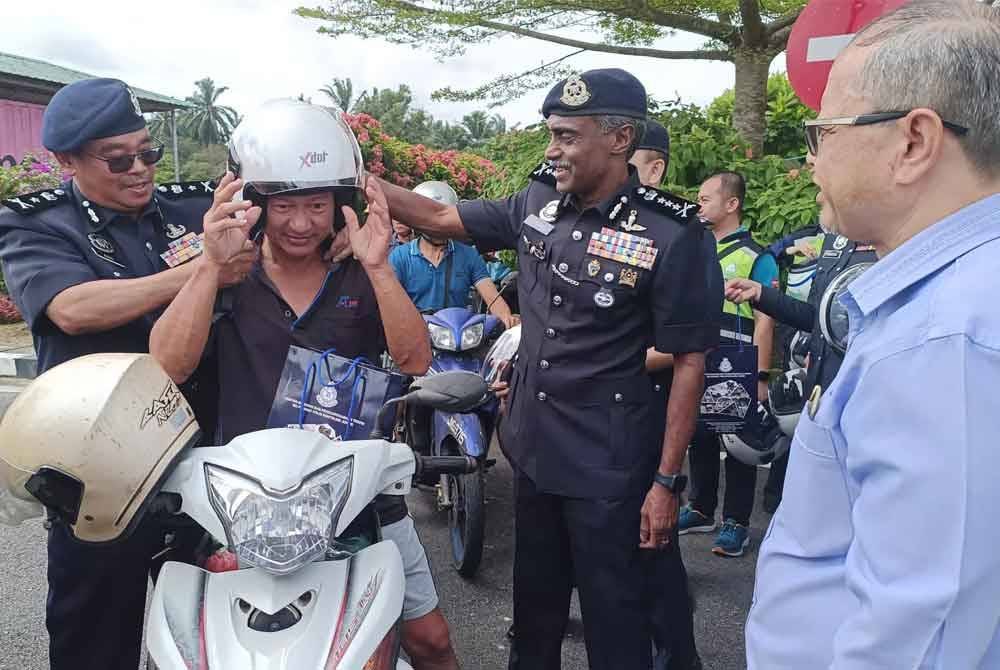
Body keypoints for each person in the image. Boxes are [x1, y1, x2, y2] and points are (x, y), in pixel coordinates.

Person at [377, 68, 716, 670]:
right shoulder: (538, 199)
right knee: (534, 615)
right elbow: (443, 220)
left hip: (609, 467)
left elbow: (691, 362)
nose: (551, 149)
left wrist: (667, 484)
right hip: (533, 451)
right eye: (550, 134)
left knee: (616, 620)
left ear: (618, 139)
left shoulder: (673, 233)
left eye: (565, 136)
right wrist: (361, 183)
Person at [148, 99, 467, 670]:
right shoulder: (226, 272)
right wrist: (207, 269)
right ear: (255, 205)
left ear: (340, 204)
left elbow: (415, 359)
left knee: (431, 642)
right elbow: (167, 366)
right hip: (240, 505)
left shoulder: (360, 269)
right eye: (286, 205)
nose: (301, 223)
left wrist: (378, 266)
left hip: (358, 495)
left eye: (317, 205)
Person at [746, 2, 1000, 666]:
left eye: (822, 131)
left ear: (914, 142)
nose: (810, 161)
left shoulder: (946, 338)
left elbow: (924, 629)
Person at [0, 78, 255, 670]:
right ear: (67, 161)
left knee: (213, 628)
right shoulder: (39, 222)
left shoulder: (191, 207)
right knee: (95, 637)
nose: (140, 169)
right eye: (119, 160)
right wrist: (204, 271)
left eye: (149, 152)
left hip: (204, 451)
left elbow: (292, 230)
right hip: (100, 469)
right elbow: (72, 308)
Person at [632, 119, 718, 670]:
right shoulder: (598, 226)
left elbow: (692, 347)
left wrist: (612, 358)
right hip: (597, 425)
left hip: (652, 418)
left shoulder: (685, 236)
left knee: (653, 551)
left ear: (655, 168)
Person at [727, 229, 876, 512]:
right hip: (820, 405)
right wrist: (761, 294)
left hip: (862, 407)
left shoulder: (899, 242)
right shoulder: (837, 244)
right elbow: (817, 317)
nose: (819, 197)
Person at [677, 172, 778, 557]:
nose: (697, 205)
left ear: (731, 204)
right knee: (697, 433)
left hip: (733, 360)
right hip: (692, 356)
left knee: (736, 441)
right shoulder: (692, 247)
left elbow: (767, 319)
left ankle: (736, 521)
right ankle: (701, 509)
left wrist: (761, 376)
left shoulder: (756, 256)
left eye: (705, 199)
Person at [389, 180, 517, 327]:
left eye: (443, 217)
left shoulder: (468, 255)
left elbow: (492, 297)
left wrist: (507, 319)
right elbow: (391, 306)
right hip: (415, 336)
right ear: (418, 221)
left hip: (459, 338)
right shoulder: (399, 257)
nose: (438, 224)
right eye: (431, 219)